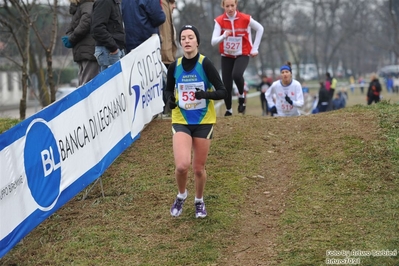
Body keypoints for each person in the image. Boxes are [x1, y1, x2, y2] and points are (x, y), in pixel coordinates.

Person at [164, 25, 227, 218]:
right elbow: (167, 91)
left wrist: (205, 95)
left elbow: (223, 91)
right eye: (183, 38)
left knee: (198, 169)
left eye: (191, 37)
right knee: (182, 165)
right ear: (180, 42)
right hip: (181, 119)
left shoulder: (205, 64)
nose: (187, 41)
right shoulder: (175, 66)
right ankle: (181, 194)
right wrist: (170, 101)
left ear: (197, 41)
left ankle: (199, 201)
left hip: (203, 121)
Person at [211, 0, 264, 116]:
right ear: (223, 6)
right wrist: (224, 36)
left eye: (232, 5)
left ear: (236, 5)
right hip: (226, 56)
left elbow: (260, 29)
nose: (230, 8)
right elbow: (213, 42)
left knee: (236, 74)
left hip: (242, 54)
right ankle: (229, 110)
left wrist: (255, 48)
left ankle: (241, 95)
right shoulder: (219, 21)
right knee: (226, 85)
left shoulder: (245, 18)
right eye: (227, 6)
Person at [62, 0, 98, 86]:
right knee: (84, 82)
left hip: (88, 51)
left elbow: (86, 23)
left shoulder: (87, 5)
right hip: (84, 51)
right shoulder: (81, 7)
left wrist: (71, 38)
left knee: (87, 84)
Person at [91, 0, 125, 72]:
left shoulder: (113, 2)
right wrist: (113, 48)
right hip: (109, 51)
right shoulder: (105, 2)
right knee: (114, 82)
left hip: (113, 50)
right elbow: (97, 28)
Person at [159, 0, 177, 69]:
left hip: (169, 58)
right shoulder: (161, 4)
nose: (174, 6)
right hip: (162, 58)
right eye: (172, 3)